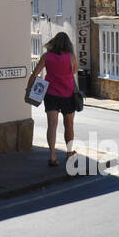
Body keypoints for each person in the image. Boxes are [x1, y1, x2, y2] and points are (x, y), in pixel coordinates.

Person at [38, 32, 78, 167]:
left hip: (51, 94)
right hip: (68, 94)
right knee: (69, 125)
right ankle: (69, 153)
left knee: (52, 125)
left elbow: (35, 74)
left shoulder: (46, 57)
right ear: (68, 44)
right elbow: (74, 71)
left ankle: (52, 156)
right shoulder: (71, 57)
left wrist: (28, 91)